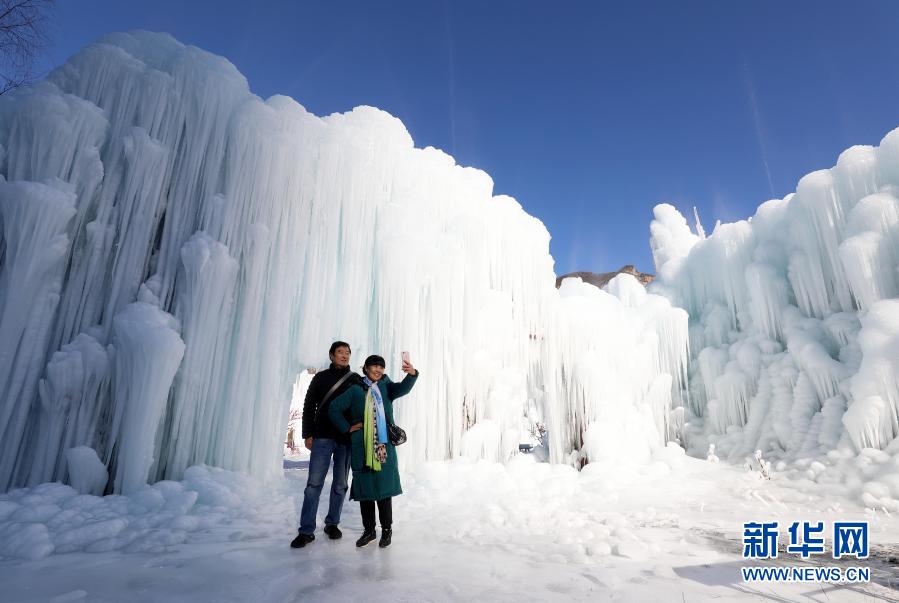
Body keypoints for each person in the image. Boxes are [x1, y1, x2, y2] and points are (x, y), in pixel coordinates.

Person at [328, 354, 418, 548]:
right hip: (362, 446)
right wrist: (347, 427)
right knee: (366, 490)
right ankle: (369, 531)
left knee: (384, 489)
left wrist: (412, 374)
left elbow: (404, 388)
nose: (378, 370)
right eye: (374, 366)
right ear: (366, 368)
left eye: (381, 367)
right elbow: (333, 408)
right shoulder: (354, 390)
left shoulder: (386, 387)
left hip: (383, 446)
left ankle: (387, 530)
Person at [290, 341, 360, 548]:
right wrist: (307, 433)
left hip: (345, 438)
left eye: (347, 353)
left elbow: (362, 405)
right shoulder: (320, 378)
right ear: (331, 355)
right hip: (321, 437)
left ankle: (332, 523)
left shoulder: (355, 379)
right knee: (313, 485)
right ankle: (306, 530)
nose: (345, 355)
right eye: (340, 352)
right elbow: (309, 405)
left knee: (340, 484)